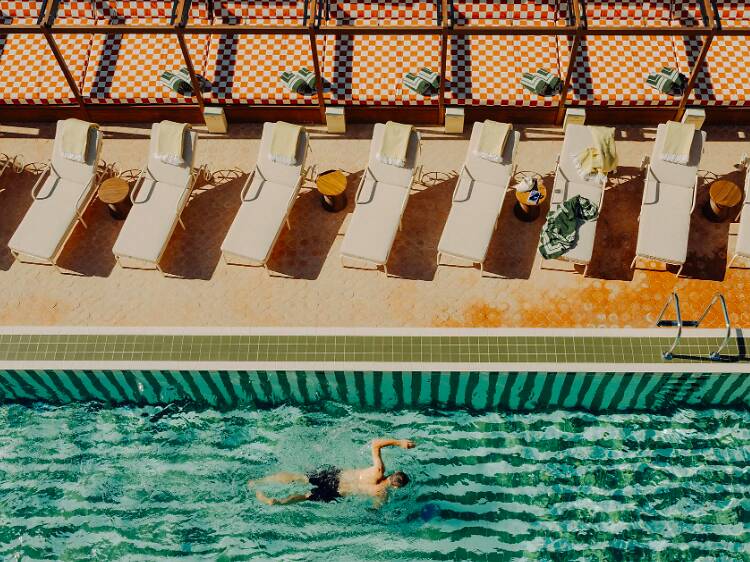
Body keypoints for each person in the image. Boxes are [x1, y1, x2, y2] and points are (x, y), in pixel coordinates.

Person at [248, 438, 415, 505]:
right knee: (305, 496)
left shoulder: (378, 470)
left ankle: (260, 481)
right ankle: (276, 502)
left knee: (300, 478)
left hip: (335, 477)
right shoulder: (382, 495)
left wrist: (399, 442)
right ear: (395, 487)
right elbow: (374, 510)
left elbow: (375, 444)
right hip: (338, 492)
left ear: (393, 473)